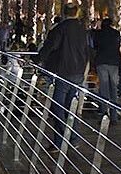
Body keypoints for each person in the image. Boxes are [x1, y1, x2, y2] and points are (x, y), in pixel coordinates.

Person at [37, 3, 88, 150]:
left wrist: (39, 58)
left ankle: (68, 136)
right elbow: (87, 50)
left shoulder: (61, 28)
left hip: (64, 71)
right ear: (77, 12)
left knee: (57, 106)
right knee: (70, 106)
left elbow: (50, 46)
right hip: (78, 72)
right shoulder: (82, 29)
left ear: (65, 13)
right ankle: (68, 139)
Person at [94, 18, 121, 124]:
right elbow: (118, 46)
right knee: (113, 89)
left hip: (101, 62)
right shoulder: (116, 34)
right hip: (114, 62)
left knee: (104, 89)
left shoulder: (98, 34)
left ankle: (104, 114)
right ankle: (114, 116)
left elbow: (95, 46)